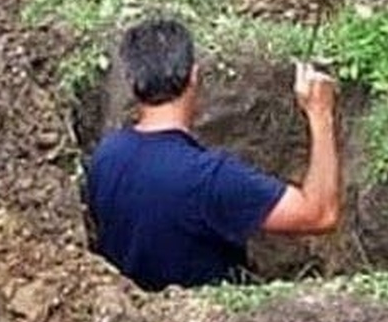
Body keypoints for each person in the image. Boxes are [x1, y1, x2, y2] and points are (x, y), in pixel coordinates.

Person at [86, 15, 340, 291]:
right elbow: (320, 214)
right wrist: (320, 114)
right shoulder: (210, 179)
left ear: (132, 81)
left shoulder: (105, 156)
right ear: (194, 75)